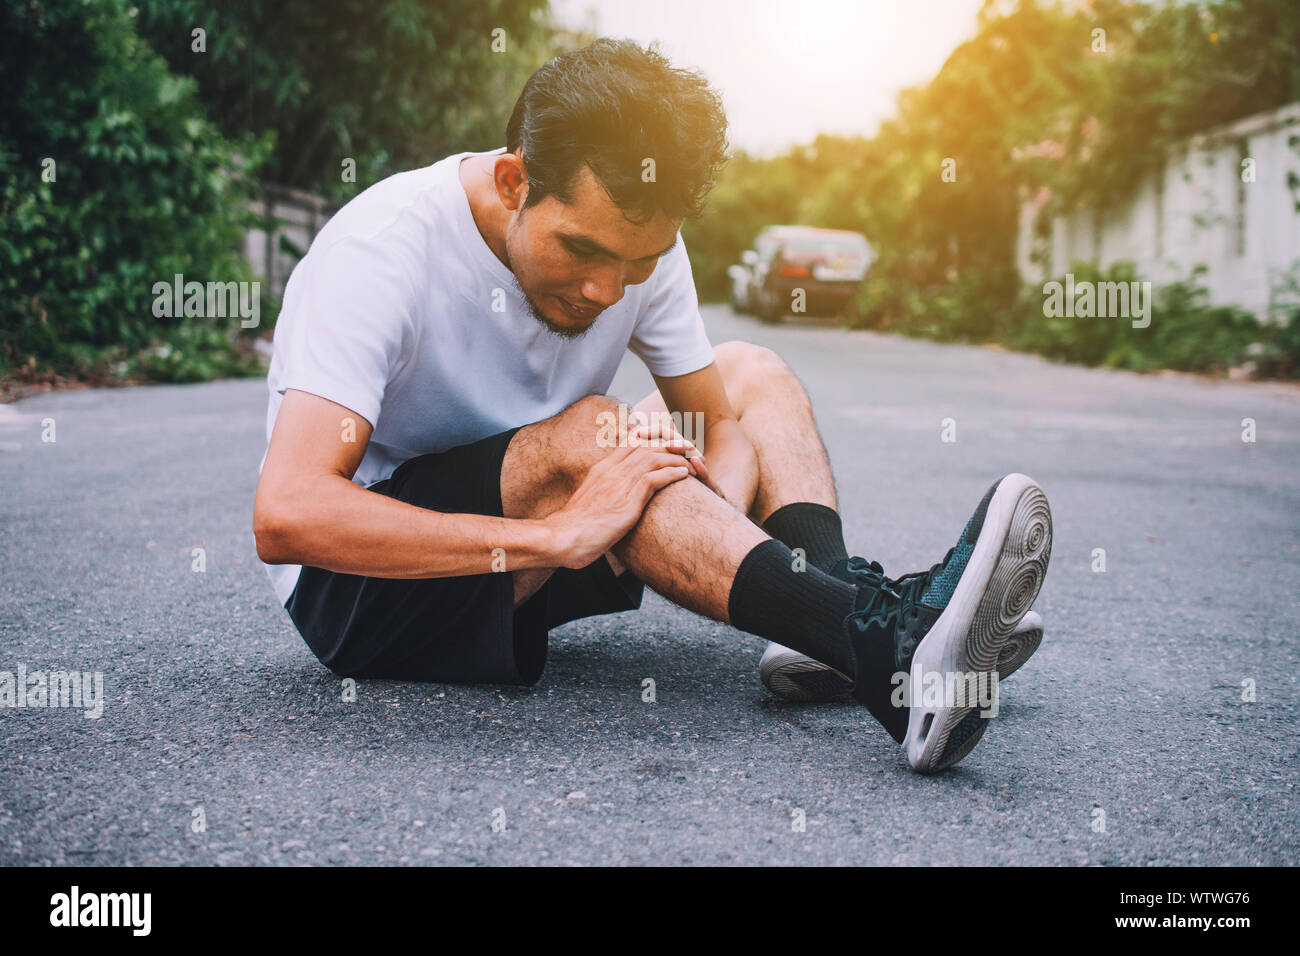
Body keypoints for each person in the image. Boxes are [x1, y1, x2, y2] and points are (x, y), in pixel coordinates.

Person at [252, 37, 1053, 774]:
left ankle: (837, 623)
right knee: (604, 432)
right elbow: (289, 514)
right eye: (583, 250)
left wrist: (703, 527)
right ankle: (893, 648)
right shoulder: (380, 251)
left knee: (752, 370)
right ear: (513, 181)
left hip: (551, 533)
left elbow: (721, 424)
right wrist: (560, 533)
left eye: (637, 263)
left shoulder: (642, 241)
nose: (607, 290)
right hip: (364, 593)